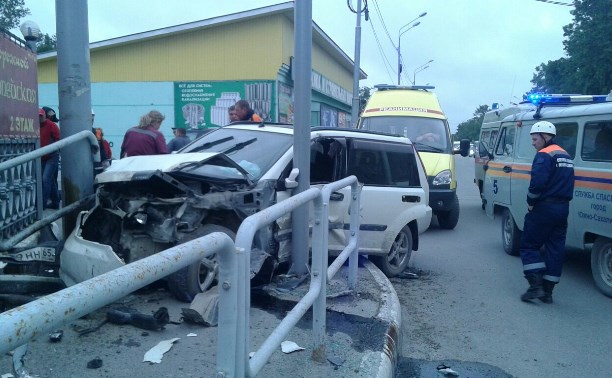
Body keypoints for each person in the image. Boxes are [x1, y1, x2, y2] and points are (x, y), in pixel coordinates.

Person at [519, 121, 574, 303]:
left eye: (535, 139)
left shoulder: (544, 155)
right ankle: (548, 292)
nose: (533, 143)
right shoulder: (565, 155)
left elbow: (537, 184)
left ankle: (535, 286)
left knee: (529, 245)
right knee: (555, 248)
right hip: (562, 208)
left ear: (545, 137)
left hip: (544, 208)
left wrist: (531, 202)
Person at [39, 108, 61, 209]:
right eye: (38, 116)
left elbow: (58, 139)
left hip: (52, 156)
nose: (40, 118)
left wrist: (54, 151)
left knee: (45, 179)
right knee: (50, 180)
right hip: (43, 156)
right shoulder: (37, 126)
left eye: (41, 116)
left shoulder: (52, 125)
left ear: (44, 116)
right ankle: (56, 202)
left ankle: (42, 204)